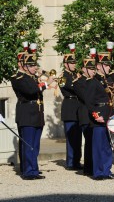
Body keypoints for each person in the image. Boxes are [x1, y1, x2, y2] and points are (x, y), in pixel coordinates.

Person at [10, 44, 54, 180]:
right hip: (27, 113)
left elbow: (36, 87)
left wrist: (43, 76)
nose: (36, 68)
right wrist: (46, 84)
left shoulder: (31, 77)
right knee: (28, 144)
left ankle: (33, 169)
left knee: (35, 145)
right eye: (33, 65)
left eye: (35, 65)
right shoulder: (18, 78)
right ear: (24, 66)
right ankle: (28, 171)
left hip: (36, 113)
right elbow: (31, 91)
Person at [80, 56, 114, 180]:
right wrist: (96, 115)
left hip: (108, 115)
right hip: (99, 117)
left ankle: (106, 170)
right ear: (99, 66)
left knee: (107, 147)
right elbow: (89, 102)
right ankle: (98, 172)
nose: (108, 67)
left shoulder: (107, 80)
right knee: (98, 147)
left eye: (108, 65)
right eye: (106, 65)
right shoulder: (92, 81)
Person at [58, 50, 83, 170]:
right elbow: (71, 87)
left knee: (78, 138)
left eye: (74, 62)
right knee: (71, 137)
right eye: (71, 63)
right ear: (66, 64)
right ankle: (71, 162)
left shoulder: (75, 75)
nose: (74, 65)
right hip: (69, 107)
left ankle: (77, 160)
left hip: (77, 107)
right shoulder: (63, 77)